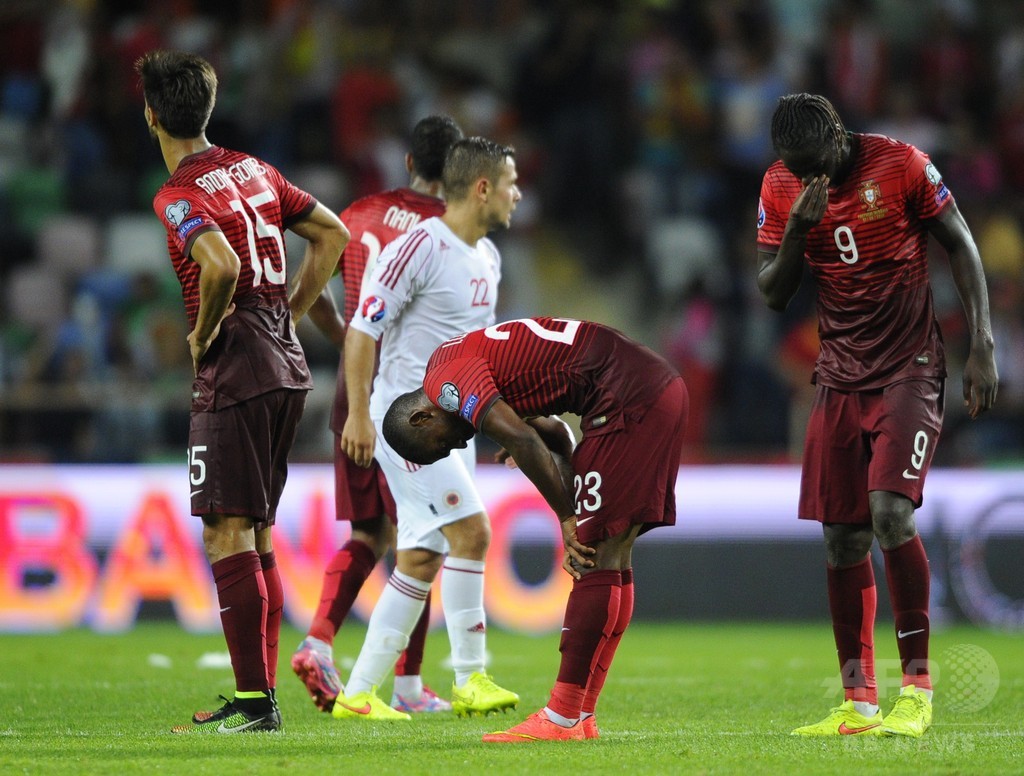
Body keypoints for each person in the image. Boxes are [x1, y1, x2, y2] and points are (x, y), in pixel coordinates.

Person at [756, 93, 998, 738]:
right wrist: (799, 229)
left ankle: (915, 693)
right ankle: (859, 702)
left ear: (839, 134)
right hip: (838, 374)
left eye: (818, 165)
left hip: (910, 366)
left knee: (891, 514)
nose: (812, 180)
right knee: (841, 537)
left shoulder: (902, 165)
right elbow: (773, 294)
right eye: (797, 168)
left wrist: (983, 345)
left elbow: (963, 246)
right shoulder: (780, 186)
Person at [137, 50, 350, 733]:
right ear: (210, 103)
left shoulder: (177, 195)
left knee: (225, 530)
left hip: (236, 367)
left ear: (150, 116)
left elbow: (220, 265)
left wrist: (202, 336)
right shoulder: (255, 169)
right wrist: (290, 305)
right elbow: (333, 233)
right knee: (254, 530)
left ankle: (256, 704)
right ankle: (257, 696)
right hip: (286, 363)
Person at [382, 317, 688, 743]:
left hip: (625, 396)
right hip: (650, 385)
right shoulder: (451, 359)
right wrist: (549, 452)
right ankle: (580, 715)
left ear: (421, 417)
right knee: (612, 555)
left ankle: (561, 717)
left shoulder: (447, 386)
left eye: (441, 445)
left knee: (594, 554)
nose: (456, 446)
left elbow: (523, 441)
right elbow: (555, 434)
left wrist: (566, 518)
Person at [329, 137, 522, 722]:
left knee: (421, 554)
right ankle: (472, 677)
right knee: (473, 533)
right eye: (511, 182)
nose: (519, 194)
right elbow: (364, 330)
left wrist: (507, 428)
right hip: (406, 417)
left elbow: (479, 354)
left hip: (447, 423)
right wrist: (360, 413)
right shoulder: (419, 247)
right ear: (482, 187)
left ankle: (358, 694)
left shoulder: (487, 257)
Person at [291, 115, 464, 715]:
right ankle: (409, 688)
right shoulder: (448, 230)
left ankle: (318, 640)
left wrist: (346, 340)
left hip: (352, 391)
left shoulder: (359, 211)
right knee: (423, 536)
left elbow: (306, 287)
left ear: (410, 163)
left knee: (371, 533)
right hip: (411, 402)